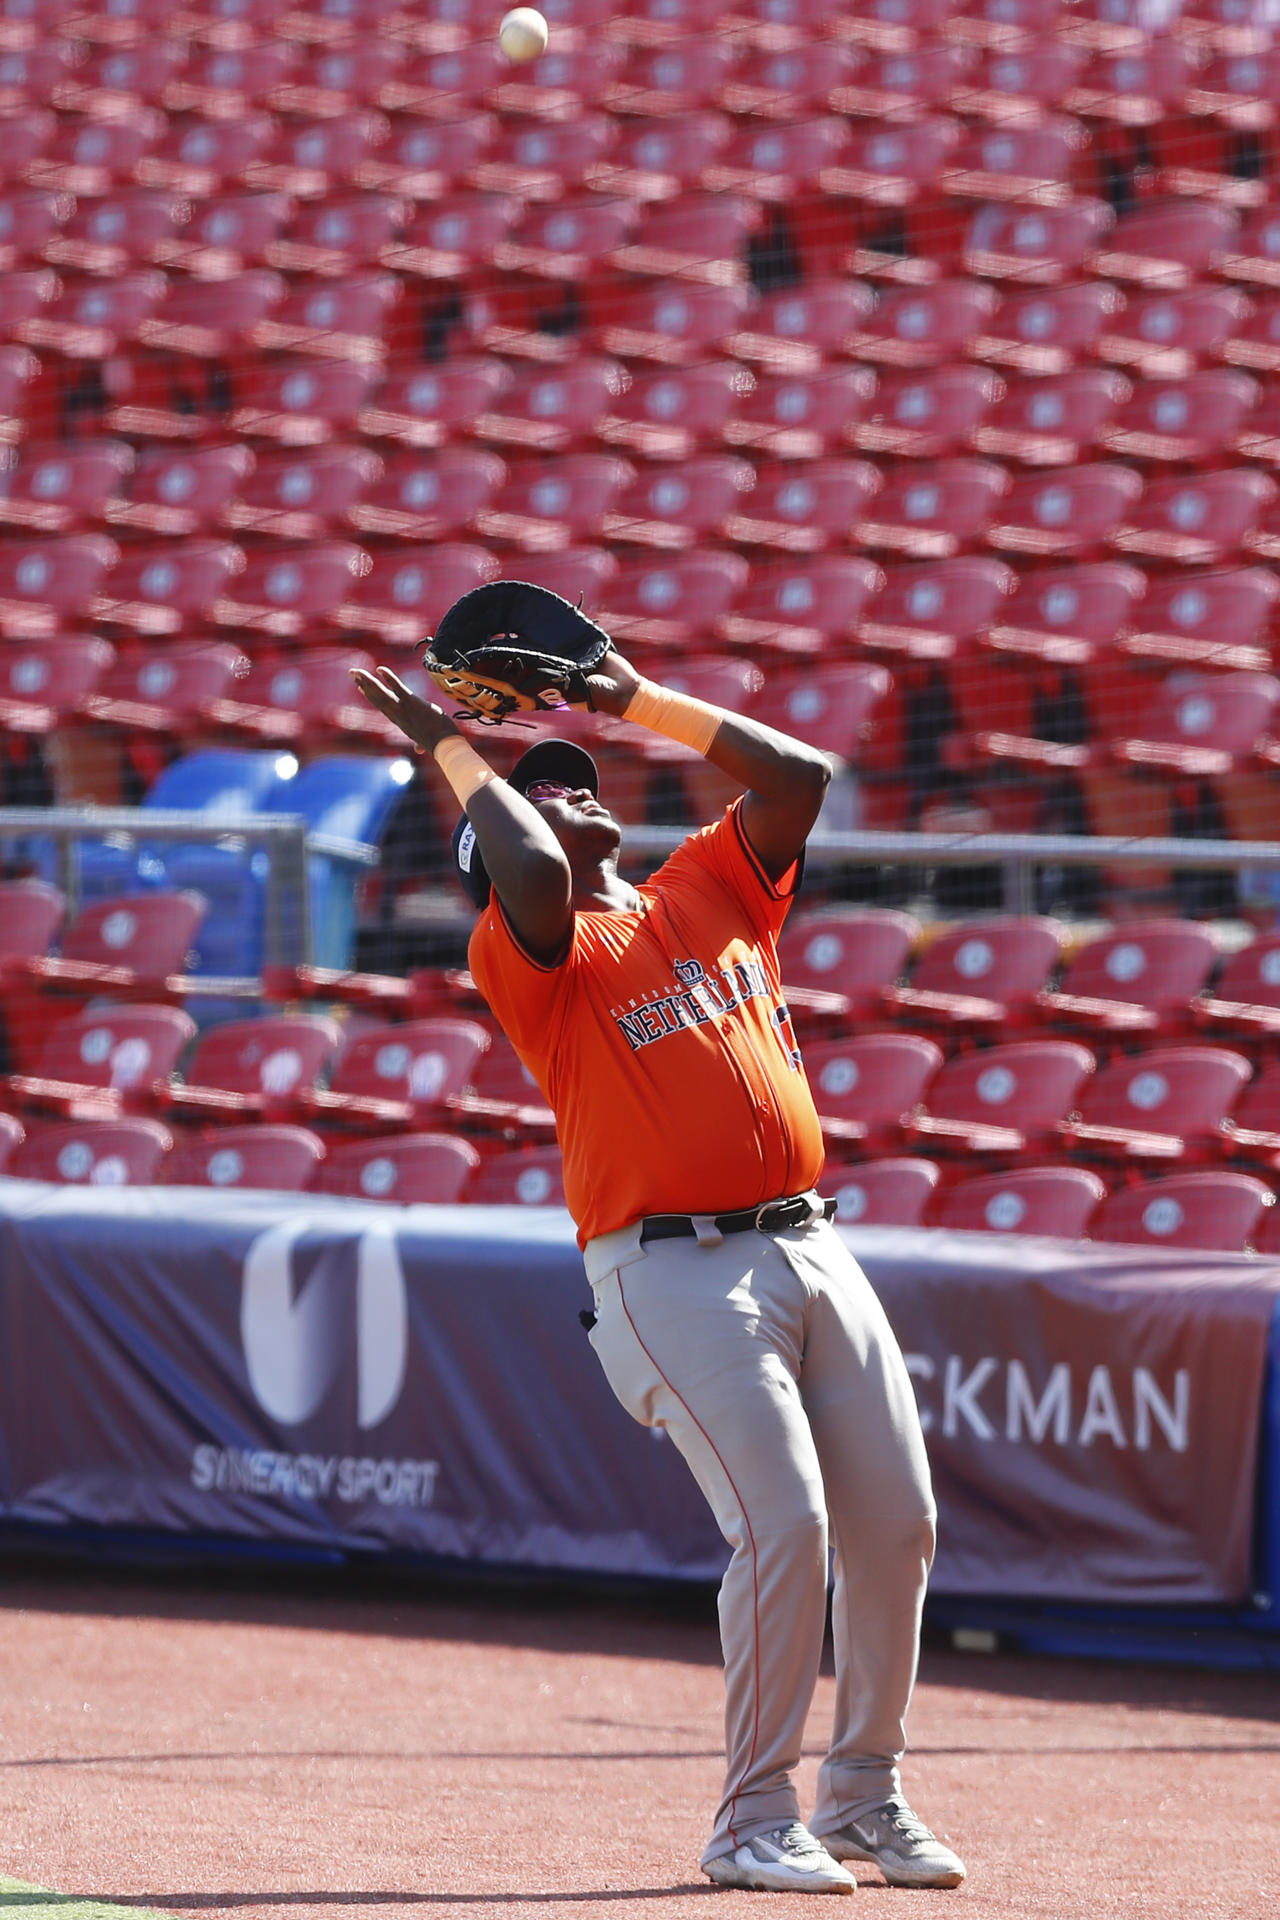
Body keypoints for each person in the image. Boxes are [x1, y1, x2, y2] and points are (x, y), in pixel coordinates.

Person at [352, 638, 965, 1897]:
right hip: (670, 1274)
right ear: (492, 845)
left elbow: (797, 772)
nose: (572, 790)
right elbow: (520, 858)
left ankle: (861, 1794)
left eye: (579, 778)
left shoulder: (702, 889)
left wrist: (625, 694)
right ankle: (750, 1816)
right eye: (546, 787)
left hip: (807, 1238)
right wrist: (450, 751)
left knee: (895, 1522)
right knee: (782, 1525)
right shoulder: (528, 952)